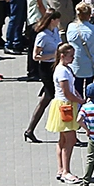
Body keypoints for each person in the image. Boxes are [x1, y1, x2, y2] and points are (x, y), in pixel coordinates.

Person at [48, 42, 85, 184]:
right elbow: (67, 93)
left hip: (65, 105)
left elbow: (71, 88)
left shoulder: (64, 68)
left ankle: (61, 169)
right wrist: (81, 102)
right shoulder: (62, 71)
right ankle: (66, 171)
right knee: (70, 139)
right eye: (71, 56)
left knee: (63, 139)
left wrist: (78, 96)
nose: (73, 58)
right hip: (66, 107)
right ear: (63, 56)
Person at [25, 8, 62, 142]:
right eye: (57, 19)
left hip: (56, 66)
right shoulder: (42, 35)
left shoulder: (55, 31)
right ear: (52, 20)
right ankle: (66, 132)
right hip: (46, 69)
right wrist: (54, 55)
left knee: (45, 99)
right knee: (58, 98)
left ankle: (30, 130)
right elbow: (36, 56)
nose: (59, 21)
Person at [67, 1, 94, 94]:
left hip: (77, 64)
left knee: (77, 91)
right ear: (89, 15)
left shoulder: (71, 27)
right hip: (92, 64)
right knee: (91, 91)